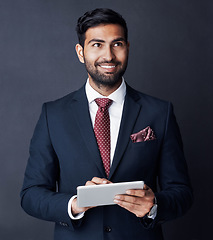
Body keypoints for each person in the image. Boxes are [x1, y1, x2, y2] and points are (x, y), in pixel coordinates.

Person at [20, 8, 193, 240]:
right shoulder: (53, 114)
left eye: (117, 44)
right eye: (97, 45)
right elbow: (30, 194)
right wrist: (75, 203)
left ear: (127, 48)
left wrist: (154, 206)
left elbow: (182, 192)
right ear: (81, 52)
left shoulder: (160, 112)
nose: (109, 56)